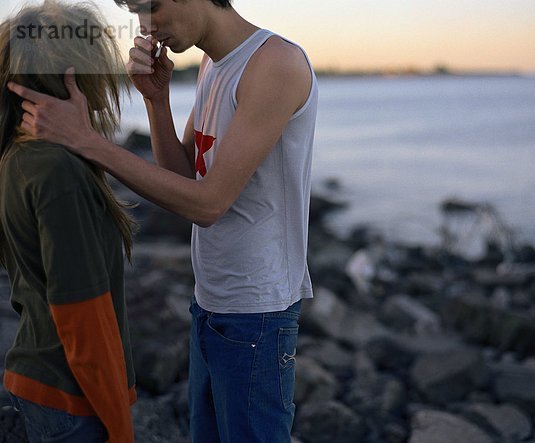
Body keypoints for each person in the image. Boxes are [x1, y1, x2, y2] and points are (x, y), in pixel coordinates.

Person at [7, 0, 318, 441]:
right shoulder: (214, 65)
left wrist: (85, 140)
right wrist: (156, 100)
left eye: (152, 6)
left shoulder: (275, 64)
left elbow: (208, 205)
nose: (146, 26)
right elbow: (182, 178)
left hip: (257, 315)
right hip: (210, 303)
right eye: (136, 12)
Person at [0, 2, 137, 442]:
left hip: (45, 383)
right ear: (73, 77)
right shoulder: (56, 171)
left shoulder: (18, 158)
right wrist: (120, 427)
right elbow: (82, 317)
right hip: (73, 400)